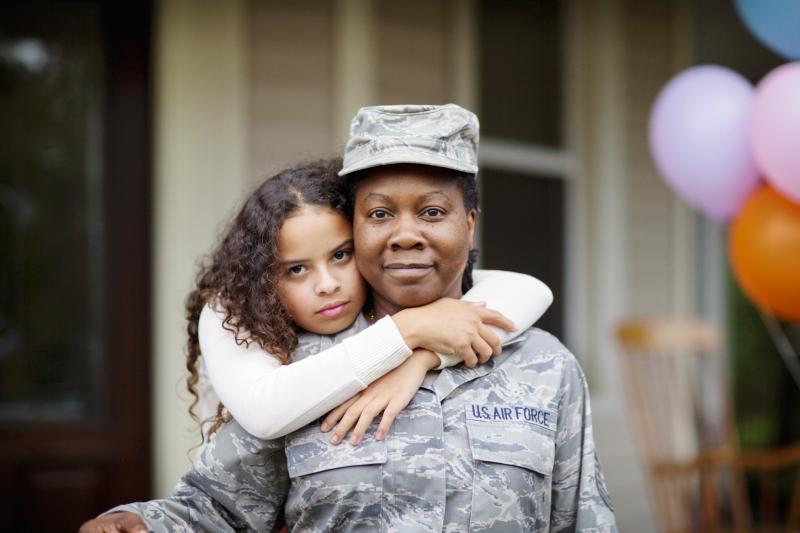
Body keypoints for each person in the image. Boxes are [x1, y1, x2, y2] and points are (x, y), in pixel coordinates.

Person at [82, 104, 617, 532]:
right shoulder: (301, 370)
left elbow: (583, 518)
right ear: (354, 229)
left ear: (470, 225)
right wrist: (136, 522)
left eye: (432, 212)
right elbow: (217, 511)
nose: (406, 233)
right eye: (380, 213)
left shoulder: (548, 368)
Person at [184, 161, 551, 444]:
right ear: (262, 279)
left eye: (341, 255)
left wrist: (421, 359)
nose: (327, 285)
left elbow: (528, 290)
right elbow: (264, 412)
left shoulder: (377, 304)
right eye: (296, 269)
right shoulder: (233, 309)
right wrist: (410, 330)